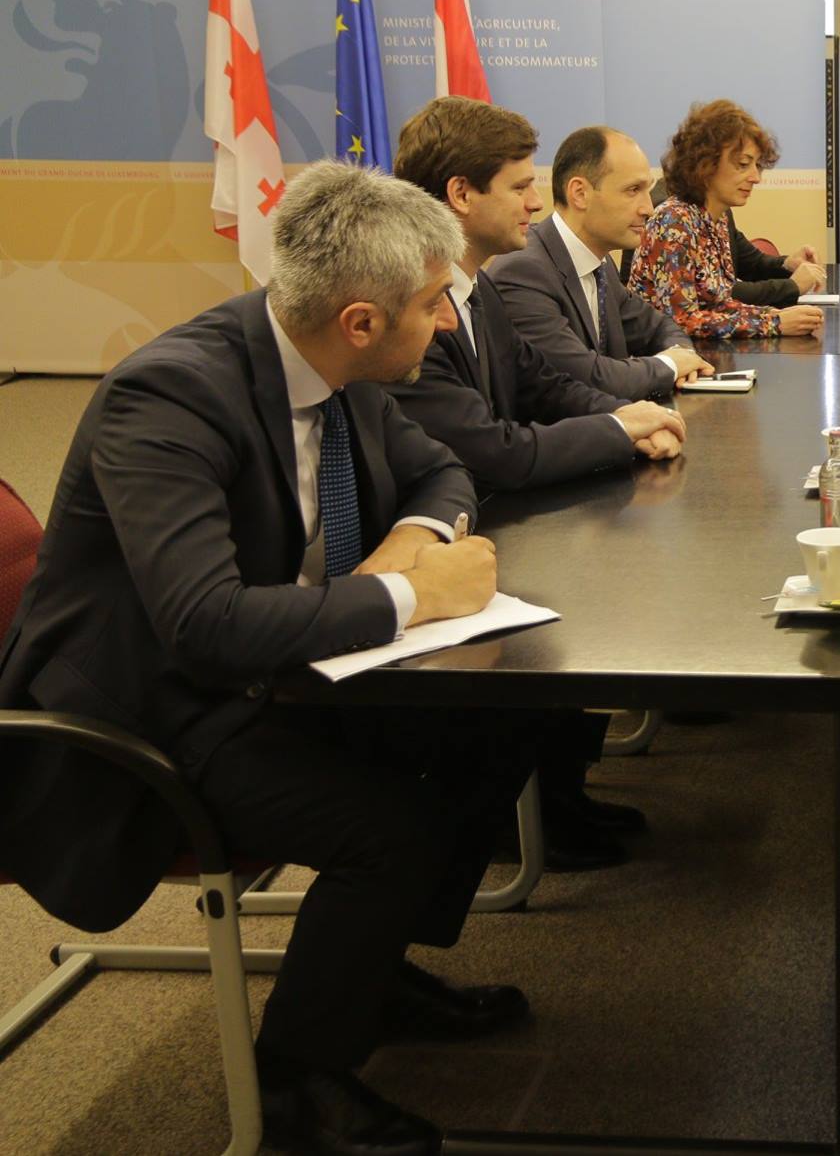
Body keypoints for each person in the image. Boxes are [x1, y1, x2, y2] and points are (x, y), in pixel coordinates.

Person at [0, 162, 534, 1156]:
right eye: (433, 303)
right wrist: (413, 596)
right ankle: (296, 1086)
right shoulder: (167, 397)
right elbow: (204, 626)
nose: (447, 324)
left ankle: (366, 970)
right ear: (362, 321)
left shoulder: (332, 366)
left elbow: (442, 469)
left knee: (504, 723)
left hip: (278, 665)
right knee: (391, 830)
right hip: (153, 712)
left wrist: (405, 548)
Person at [392, 96, 682, 872]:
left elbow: (542, 383)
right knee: (577, 589)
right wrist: (619, 429)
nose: (535, 201)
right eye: (521, 185)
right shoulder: (416, 305)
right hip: (451, 535)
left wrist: (630, 419)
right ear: (460, 195)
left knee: (596, 577)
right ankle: (523, 814)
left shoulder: (475, 285)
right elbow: (495, 452)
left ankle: (561, 793)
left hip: (493, 514)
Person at [493, 125, 717, 400]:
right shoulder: (523, 272)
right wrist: (672, 365)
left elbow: (658, 327)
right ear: (580, 193)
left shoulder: (600, 263)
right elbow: (587, 379)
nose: (648, 208)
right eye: (633, 190)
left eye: (646, 190)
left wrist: (682, 356)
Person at [626, 100, 825, 340]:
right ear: (705, 164)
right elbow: (682, 321)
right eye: (743, 164)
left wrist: (773, 315)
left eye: (757, 166)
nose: (756, 177)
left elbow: (721, 303)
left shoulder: (715, 218)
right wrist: (774, 322)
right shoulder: (672, 221)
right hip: (662, 355)